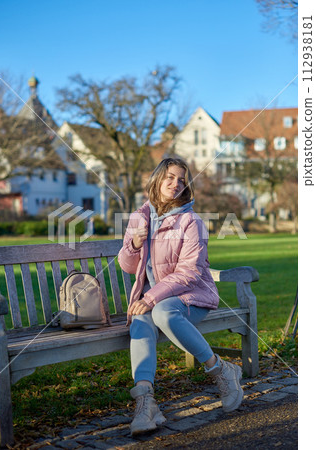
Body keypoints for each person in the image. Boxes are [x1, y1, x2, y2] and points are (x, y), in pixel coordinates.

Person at [118, 158, 243, 436]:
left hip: (193, 297)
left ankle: (221, 370)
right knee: (141, 318)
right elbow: (127, 266)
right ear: (157, 180)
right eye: (170, 178)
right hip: (154, 299)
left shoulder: (192, 222)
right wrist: (135, 244)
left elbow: (189, 273)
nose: (176, 184)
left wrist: (150, 298)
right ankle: (146, 403)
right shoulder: (140, 217)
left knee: (160, 311)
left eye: (182, 179)